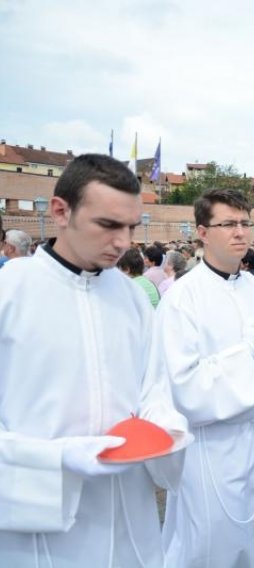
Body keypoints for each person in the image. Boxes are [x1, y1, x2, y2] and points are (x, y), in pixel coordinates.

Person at [0, 153, 187, 566]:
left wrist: (166, 426)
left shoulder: (132, 298)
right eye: (108, 225)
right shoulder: (9, 292)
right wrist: (58, 459)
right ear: (60, 211)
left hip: (129, 516)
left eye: (131, 227)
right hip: (40, 520)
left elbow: (152, 389)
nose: (123, 242)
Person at [147, 188, 254, 567]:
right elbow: (185, 387)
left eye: (245, 223)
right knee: (207, 545)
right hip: (211, 445)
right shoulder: (183, 297)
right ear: (202, 232)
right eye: (228, 223)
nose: (240, 232)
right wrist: (249, 352)